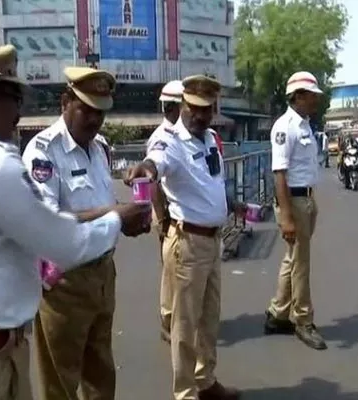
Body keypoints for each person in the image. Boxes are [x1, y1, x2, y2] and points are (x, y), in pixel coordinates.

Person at [0, 45, 148, 400]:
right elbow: (62, 242)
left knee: (98, 368)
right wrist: (116, 219)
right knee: (61, 381)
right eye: (13, 97)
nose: (19, 112)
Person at [21, 67, 147, 400]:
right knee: (61, 383)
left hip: (103, 273)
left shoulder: (101, 147)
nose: (94, 120)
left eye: (101, 112)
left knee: (101, 374)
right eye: (87, 109)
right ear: (66, 102)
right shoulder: (42, 151)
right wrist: (116, 214)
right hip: (65, 282)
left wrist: (126, 219)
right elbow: (47, 219)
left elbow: (99, 205)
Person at [125, 75, 243, 400]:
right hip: (188, 243)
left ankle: (205, 381)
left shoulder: (209, 139)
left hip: (212, 241)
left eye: (208, 110)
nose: (202, 116)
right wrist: (146, 171)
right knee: (184, 326)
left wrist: (233, 205)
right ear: (183, 106)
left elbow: (212, 183)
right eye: (196, 109)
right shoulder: (170, 142)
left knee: (209, 319)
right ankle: (186, 393)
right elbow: (156, 163)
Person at [263, 71, 327, 351]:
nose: (315, 100)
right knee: (301, 263)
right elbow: (279, 174)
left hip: (307, 199)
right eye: (311, 95)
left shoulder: (304, 125)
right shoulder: (285, 126)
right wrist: (286, 215)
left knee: (293, 259)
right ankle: (303, 320)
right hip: (295, 201)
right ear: (298, 96)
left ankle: (278, 313)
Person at [147, 79, 184, 344]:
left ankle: (179, 316)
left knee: (179, 269)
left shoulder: (182, 134)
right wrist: (161, 219)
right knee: (171, 270)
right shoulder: (163, 137)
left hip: (180, 213)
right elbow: (153, 181)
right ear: (174, 108)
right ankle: (168, 320)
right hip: (167, 212)